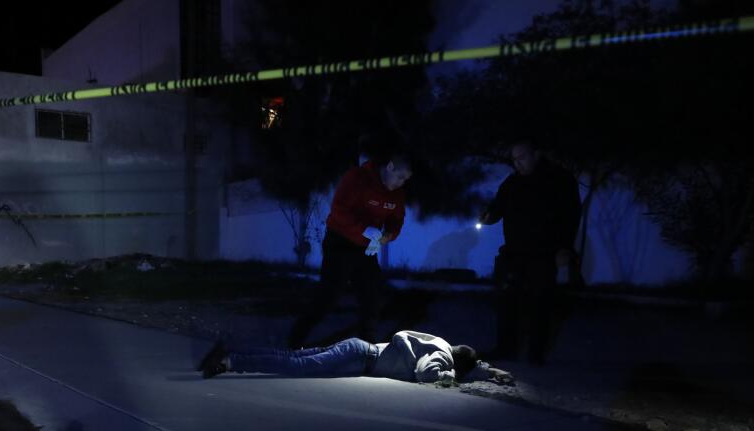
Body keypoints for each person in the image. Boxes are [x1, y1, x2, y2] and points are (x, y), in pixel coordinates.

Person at [286, 154, 413, 349]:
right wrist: (364, 229)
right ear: (389, 166)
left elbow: (397, 219)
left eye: (405, 180)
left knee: (372, 295)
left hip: (365, 248)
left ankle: (366, 347)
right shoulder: (357, 178)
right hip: (340, 242)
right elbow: (339, 211)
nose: (401, 183)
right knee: (328, 296)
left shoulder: (396, 193)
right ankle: (294, 342)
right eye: (400, 177)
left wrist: (386, 236)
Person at [479, 138, 581, 364]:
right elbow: (498, 207)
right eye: (514, 159)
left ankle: (536, 352)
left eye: (522, 157)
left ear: (536, 154)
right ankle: (506, 347)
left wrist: (565, 247)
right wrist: (489, 215)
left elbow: (571, 216)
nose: (517, 163)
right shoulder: (512, 182)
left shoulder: (560, 180)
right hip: (513, 252)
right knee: (506, 301)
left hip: (544, 252)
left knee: (540, 302)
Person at [198, 331, 514, 386]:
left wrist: (491, 372)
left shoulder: (440, 343)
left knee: (293, 356)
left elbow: (474, 365)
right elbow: (426, 375)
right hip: (360, 358)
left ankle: (230, 350)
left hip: (358, 349)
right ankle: (230, 362)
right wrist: (450, 379)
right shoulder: (441, 360)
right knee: (297, 366)